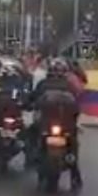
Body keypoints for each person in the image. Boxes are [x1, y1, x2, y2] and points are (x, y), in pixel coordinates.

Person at [30, 59, 83, 188]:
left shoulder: (43, 84)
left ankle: (34, 158)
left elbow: (33, 99)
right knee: (73, 143)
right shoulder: (70, 85)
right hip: (63, 125)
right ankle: (75, 175)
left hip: (48, 124)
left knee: (33, 133)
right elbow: (77, 105)